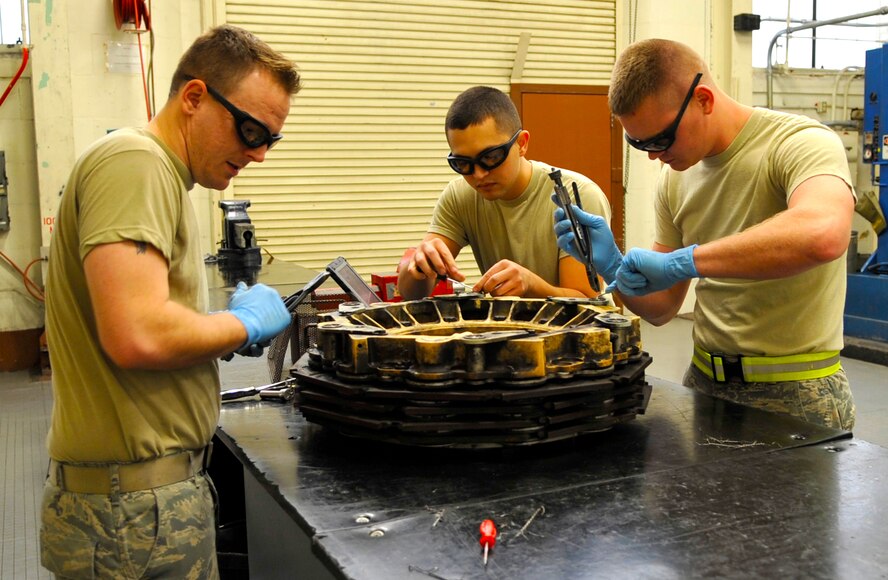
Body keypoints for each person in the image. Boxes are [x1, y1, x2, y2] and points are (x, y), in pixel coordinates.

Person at [40, 25, 300, 578]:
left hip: (139, 503)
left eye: (269, 140)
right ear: (195, 98)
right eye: (250, 130)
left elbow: (139, 320)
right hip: (133, 514)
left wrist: (200, 333)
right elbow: (137, 334)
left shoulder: (161, 175)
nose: (257, 155)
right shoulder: (137, 163)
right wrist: (240, 325)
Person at [554, 39, 855, 430]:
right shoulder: (675, 178)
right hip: (704, 384)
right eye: (638, 142)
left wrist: (685, 262)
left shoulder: (800, 144)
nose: (653, 155)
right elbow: (661, 308)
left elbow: (823, 233)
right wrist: (611, 264)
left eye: (660, 139)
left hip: (796, 392)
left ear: (703, 99)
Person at [398, 85, 611, 300]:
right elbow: (410, 295)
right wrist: (419, 267)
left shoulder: (575, 195)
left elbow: (587, 301)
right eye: (463, 163)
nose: (479, 174)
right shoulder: (460, 196)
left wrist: (530, 285)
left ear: (522, 143)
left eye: (490, 157)